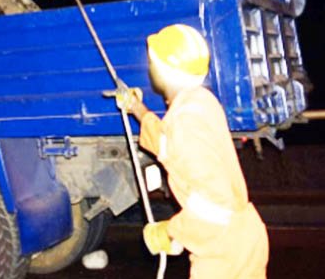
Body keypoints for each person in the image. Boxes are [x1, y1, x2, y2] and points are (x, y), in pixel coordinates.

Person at [115, 24, 269, 278]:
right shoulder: (200, 101)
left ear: (163, 70)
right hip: (242, 239)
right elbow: (168, 143)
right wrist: (136, 108)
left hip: (222, 254)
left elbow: (212, 207)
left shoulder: (185, 122)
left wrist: (171, 231)